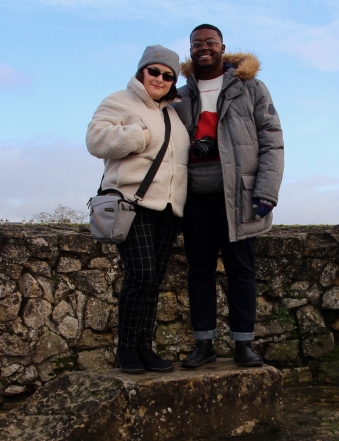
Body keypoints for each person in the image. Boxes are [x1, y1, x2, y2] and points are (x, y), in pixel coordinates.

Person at [172, 24, 284, 368]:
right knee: (200, 270)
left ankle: (243, 345)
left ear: (223, 47)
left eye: (209, 42)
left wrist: (267, 190)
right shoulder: (181, 94)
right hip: (194, 196)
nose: (202, 48)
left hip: (240, 195)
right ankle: (204, 344)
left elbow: (272, 140)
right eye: (196, 44)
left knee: (241, 270)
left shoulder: (250, 87)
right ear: (190, 50)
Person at [86, 45, 190, 374]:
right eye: (154, 71)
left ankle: (145, 348)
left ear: (174, 82)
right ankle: (127, 349)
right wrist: (139, 135)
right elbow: (96, 140)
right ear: (142, 71)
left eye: (168, 75)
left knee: (153, 279)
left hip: (169, 208)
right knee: (140, 274)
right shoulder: (119, 101)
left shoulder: (173, 114)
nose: (160, 78)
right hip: (132, 203)